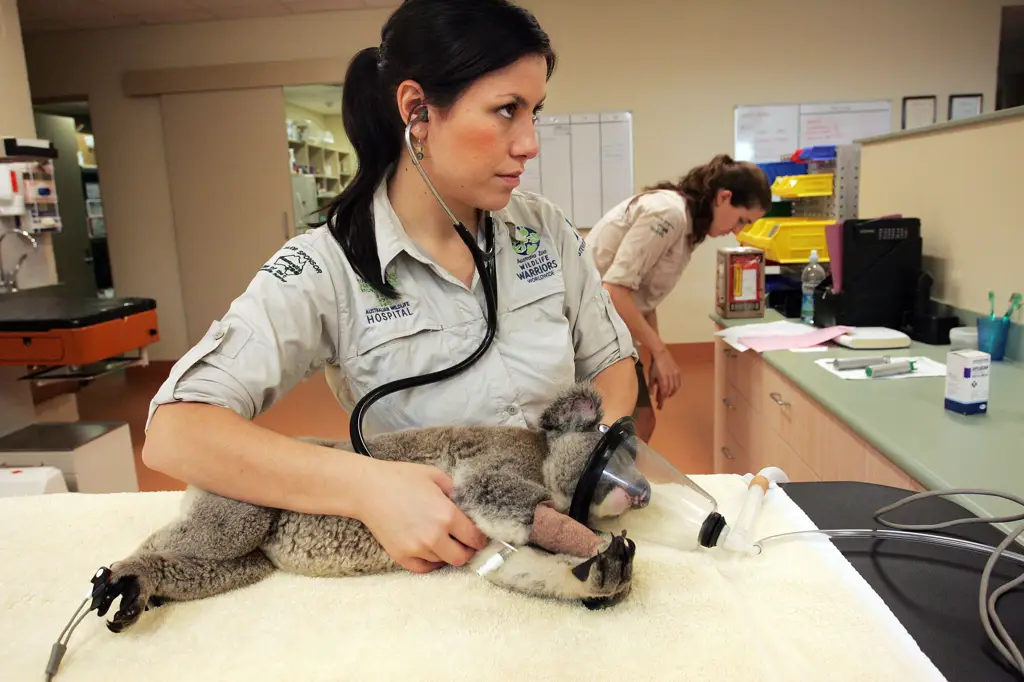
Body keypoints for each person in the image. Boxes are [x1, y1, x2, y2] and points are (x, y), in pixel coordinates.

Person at [141, 0, 638, 578]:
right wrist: (368, 488)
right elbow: (176, 435)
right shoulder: (324, 265)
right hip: (440, 565)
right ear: (416, 110)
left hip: (564, 540)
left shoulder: (544, 230)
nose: (529, 142)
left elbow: (612, 364)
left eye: (534, 111)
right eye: (507, 110)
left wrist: (582, 468)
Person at [586, 154, 771, 441]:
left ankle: (617, 484)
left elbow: (642, 297)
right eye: (740, 220)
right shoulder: (668, 214)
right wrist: (660, 352)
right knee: (628, 425)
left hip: (611, 327)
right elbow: (614, 290)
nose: (737, 231)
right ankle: (607, 485)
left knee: (641, 422)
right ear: (724, 197)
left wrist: (652, 355)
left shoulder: (686, 224)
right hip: (590, 330)